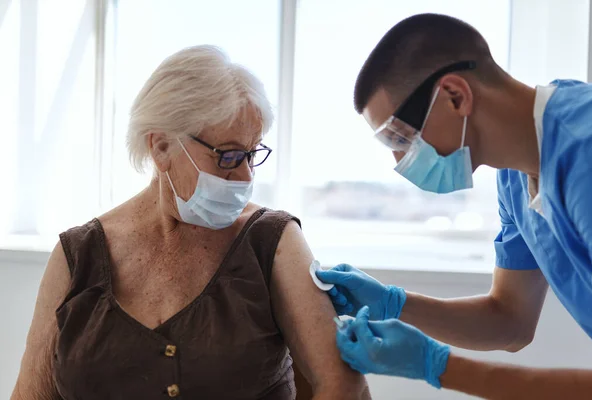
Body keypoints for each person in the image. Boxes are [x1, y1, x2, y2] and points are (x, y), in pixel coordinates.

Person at [11, 46, 369, 400]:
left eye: (252, 153)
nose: (245, 176)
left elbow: (343, 386)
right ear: (162, 147)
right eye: (228, 156)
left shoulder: (272, 242)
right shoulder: (78, 256)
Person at [316, 13, 592, 399]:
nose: (400, 161)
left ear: (456, 96)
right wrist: (393, 303)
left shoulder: (590, 153)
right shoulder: (515, 177)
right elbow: (510, 321)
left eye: (399, 138)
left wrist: (437, 366)